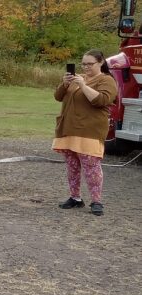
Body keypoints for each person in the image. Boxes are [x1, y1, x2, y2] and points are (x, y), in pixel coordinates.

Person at [53, 49, 117, 216]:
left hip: (90, 131)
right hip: (68, 129)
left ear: (101, 62)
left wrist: (83, 85)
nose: (86, 67)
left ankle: (96, 201)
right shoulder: (76, 78)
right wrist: (65, 83)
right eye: (84, 64)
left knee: (91, 168)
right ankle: (75, 198)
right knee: (72, 166)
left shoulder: (107, 80)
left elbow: (101, 100)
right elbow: (58, 96)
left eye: (90, 64)